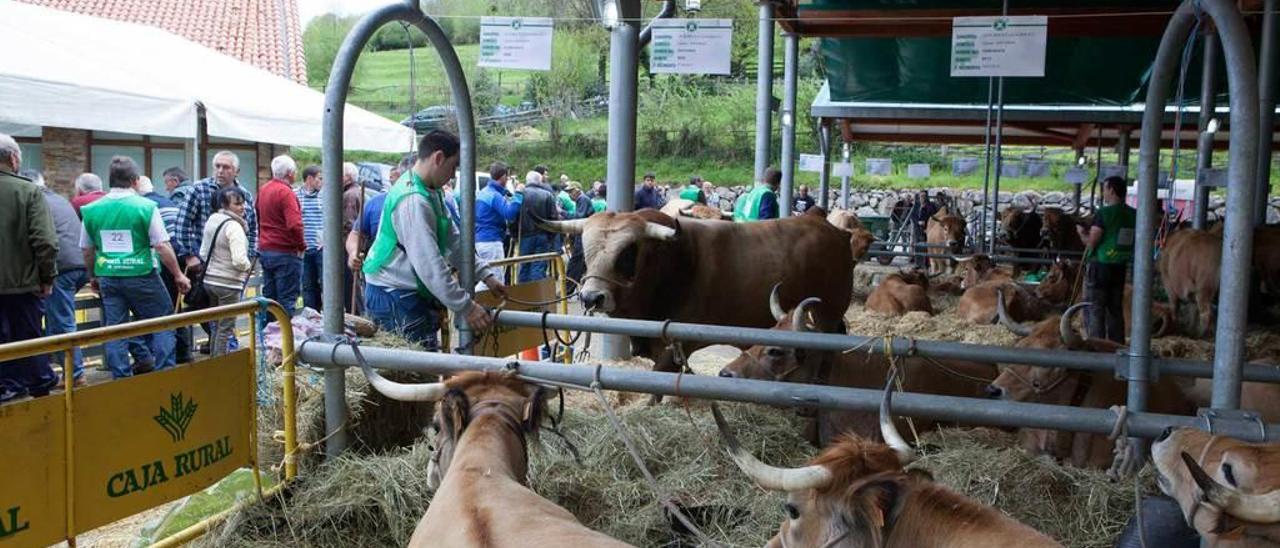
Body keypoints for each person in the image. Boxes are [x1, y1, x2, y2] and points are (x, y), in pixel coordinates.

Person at [362, 130, 508, 350]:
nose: (453, 175)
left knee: (423, 366)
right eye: (453, 166)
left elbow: (454, 240)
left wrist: (485, 275)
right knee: (410, 374)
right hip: (395, 297)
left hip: (407, 294)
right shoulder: (413, 200)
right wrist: (466, 307)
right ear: (438, 158)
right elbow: (429, 263)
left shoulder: (431, 191)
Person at [80, 156, 191, 378]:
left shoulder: (91, 210)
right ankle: (164, 373)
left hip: (108, 275)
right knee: (163, 322)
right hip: (142, 274)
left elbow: (86, 249)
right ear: (135, 181)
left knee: (116, 329)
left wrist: (93, 276)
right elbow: (161, 245)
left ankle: (120, 377)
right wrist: (178, 274)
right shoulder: (146, 206)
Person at [0, 135, 59, 401]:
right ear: (13, 159)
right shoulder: (27, 191)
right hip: (22, 284)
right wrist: (47, 277)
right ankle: (38, 388)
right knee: (29, 339)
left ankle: (8, 386)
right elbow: (45, 240)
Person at [25, 169, 89, 384]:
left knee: (62, 323)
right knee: (56, 321)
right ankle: (60, 370)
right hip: (80, 265)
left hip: (61, 269)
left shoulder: (35, 201)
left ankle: (75, 374)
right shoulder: (58, 199)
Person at [175, 150, 258, 291]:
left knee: (231, 310)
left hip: (233, 267)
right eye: (217, 166)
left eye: (226, 167)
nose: (220, 171)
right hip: (203, 264)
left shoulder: (244, 195)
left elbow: (252, 229)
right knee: (203, 309)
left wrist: (249, 258)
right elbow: (183, 224)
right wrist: (189, 256)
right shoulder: (199, 189)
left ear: (236, 171)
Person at [139, 175, 193, 363]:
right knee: (174, 306)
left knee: (162, 311)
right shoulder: (166, 201)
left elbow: (158, 243)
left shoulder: (143, 205)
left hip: (162, 261)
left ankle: (165, 358)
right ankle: (183, 351)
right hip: (180, 255)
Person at [1078, 176, 1136, 344]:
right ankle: (1116, 345)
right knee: (1115, 309)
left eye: (1104, 189)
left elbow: (1092, 242)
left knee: (1095, 308)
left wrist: (1081, 233)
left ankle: (1097, 347)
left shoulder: (1104, 213)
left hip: (1100, 266)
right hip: (1120, 266)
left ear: (1111, 190)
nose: (1103, 192)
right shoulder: (1133, 213)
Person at [201, 187, 253, 356]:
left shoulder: (212, 220)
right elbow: (239, 260)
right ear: (225, 204)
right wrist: (247, 267)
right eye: (237, 203)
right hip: (228, 283)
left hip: (209, 281)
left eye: (243, 203)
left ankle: (213, 360)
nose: (242, 207)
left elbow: (203, 252)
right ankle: (220, 366)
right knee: (225, 328)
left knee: (216, 325)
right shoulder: (234, 227)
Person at [256, 155, 306, 323]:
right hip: (285, 251)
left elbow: (257, 215)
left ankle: (267, 336)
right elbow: (294, 224)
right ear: (290, 173)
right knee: (286, 300)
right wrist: (301, 245)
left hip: (266, 249)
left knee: (269, 298)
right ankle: (283, 341)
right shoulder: (286, 193)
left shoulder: (264, 189)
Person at [475, 161, 523, 283]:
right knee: (495, 280)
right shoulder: (494, 195)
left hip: (481, 240)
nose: (507, 179)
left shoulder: (484, 192)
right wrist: (519, 194)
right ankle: (470, 298)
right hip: (491, 242)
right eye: (507, 177)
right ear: (503, 177)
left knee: (488, 277)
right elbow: (510, 214)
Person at [517, 170, 560, 283]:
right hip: (543, 236)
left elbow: (513, 217)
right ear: (540, 182)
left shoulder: (521, 195)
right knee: (539, 267)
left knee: (524, 267)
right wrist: (550, 236)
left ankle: (524, 296)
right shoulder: (548, 195)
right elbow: (554, 218)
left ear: (527, 181)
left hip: (525, 236)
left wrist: (515, 234)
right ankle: (537, 296)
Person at [295, 165, 324, 312]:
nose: (322, 182)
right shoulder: (295, 195)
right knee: (307, 285)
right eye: (319, 178)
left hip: (321, 248)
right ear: (309, 179)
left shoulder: (325, 195)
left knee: (325, 283)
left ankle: (328, 316)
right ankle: (311, 315)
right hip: (304, 247)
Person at [565, 182, 594, 283]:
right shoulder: (581, 200)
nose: (569, 194)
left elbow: (579, 218)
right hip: (583, 235)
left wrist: (563, 213)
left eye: (571, 191)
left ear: (577, 190)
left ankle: (567, 288)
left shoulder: (582, 199)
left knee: (575, 263)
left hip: (583, 236)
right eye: (568, 192)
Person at [911, 191, 939, 269]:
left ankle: (926, 263)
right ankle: (918, 263)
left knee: (927, 246)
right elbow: (913, 216)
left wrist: (926, 223)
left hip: (927, 228)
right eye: (921, 196)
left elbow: (933, 216)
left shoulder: (931, 206)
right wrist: (917, 222)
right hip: (917, 229)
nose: (922, 198)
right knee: (917, 245)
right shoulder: (916, 206)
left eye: (924, 196)